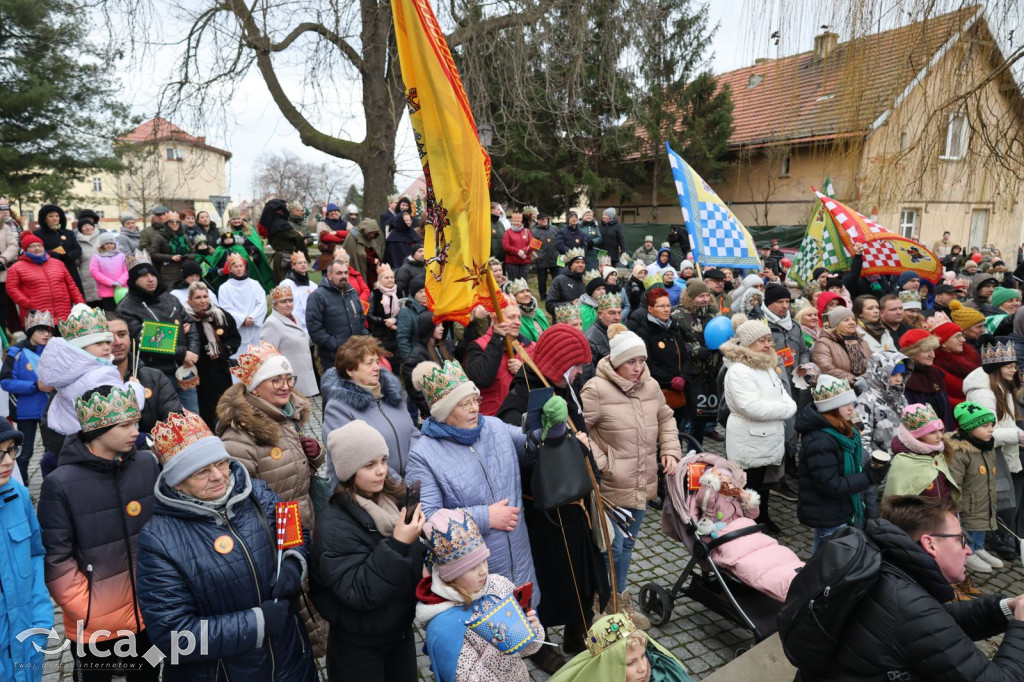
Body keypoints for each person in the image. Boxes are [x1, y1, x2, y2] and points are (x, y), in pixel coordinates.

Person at [135, 411, 317, 681]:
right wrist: (257, 623)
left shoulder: (258, 492)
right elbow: (173, 637)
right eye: (202, 472)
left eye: (221, 463)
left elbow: (293, 526)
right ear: (178, 481)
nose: (219, 476)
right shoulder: (157, 541)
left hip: (291, 661)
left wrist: (293, 561)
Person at [806, 495, 1024, 678]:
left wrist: (1006, 607)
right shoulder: (908, 605)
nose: (969, 551)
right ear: (930, 543)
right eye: (961, 540)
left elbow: (939, 621)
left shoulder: (887, 569)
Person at [496, 324, 607, 665]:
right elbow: (520, 455)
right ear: (556, 362)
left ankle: (578, 631)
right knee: (548, 579)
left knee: (583, 576)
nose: (577, 374)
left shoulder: (563, 389)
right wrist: (572, 445)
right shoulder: (520, 400)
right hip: (543, 512)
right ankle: (539, 645)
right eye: (573, 366)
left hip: (575, 507)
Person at [37, 385, 160, 681]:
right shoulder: (61, 483)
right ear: (97, 430)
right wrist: (88, 608)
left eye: (136, 422)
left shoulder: (146, 464)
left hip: (148, 610)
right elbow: (57, 557)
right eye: (125, 425)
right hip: (94, 622)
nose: (136, 431)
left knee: (148, 674)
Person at [408, 360, 539, 606]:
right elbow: (428, 520)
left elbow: (532, 446)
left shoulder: (495, 427)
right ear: (443, 413)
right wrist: (485, 517)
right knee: (490, 636)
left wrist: (552, 427)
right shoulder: (422, 455)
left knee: (528, 628)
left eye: (474, 400)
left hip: (521, 563)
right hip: (474, 577)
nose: (474, 409)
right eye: (463, 404)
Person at [310, 420, 427, 680]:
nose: (381, 471)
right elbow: (359, 591)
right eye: (369, 465)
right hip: (358, 646)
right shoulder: (334, 526)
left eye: (383, 460)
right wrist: (398, 543)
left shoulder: (391, 501)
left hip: (400, 632)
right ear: (349, 470)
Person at [583, 323, 681, 622]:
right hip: (612, 486)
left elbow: (666, 418)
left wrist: (670, 449)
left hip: (642, 482)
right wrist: (604, 463)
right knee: (610, 549)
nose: (638, 367)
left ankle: (620, 602)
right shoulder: (596, 389)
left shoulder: (651, 387)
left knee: (626, 545)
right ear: (615, 361)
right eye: (630, 361)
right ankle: (605, 607)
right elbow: (579, 431)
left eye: (642, 360)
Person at [417, 508, 545, 681]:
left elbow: (530, 648)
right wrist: (503, 642)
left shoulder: (499, 585)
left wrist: (533, 629)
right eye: (471, 567)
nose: (483, 571)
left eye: (484, 560)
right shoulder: (443, 626)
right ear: (451, 574)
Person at [216, 341, 324, 526]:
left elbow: (295, 466)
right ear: (255, 388)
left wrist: (316, 452)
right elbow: (240, 496)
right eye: (276, 380)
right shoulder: (239, 436)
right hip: (276, 526)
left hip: (303, 518)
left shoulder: (288, 415)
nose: (286, 386)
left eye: (289, 378)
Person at [720, 318, 797, 535]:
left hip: (768, 436)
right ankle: (746, 524)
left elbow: (784, 395)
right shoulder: (738, 371)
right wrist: (786, 409)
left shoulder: (766, 365)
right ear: (747, 344)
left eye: (769, 340)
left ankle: (763, 517)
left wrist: (786, 406)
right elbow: (751, 407)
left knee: (764, 483)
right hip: (749, 437)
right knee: (749, 483)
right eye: (761, 341)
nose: (768, 345)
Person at [798, 374, 887, 552]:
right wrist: (867, 476)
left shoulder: (840, 429)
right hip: (828, 513)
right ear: (831, 408)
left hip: (837, 509)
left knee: (824, 557)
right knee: (830, 561)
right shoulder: (821, 441)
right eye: (845, 404)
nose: (852, 409)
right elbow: (831, 484)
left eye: (851, 403)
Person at [322, 335, 420, 482]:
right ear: (350, 370)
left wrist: (415, 476)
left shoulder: (393, 397)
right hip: (368, 492)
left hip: (409, 485)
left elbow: (413, 433)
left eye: (377, 361)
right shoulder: (338, 409)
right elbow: (358, 458)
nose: (377, 367)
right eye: (369, 363)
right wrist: (399, 486)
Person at [116, 249, 202, 413]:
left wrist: (192, 354)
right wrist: (182, 351)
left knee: (193, 418)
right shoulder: (126, 308)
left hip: (186, 369)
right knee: (169, 421)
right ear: (134, 280)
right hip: (157, 375)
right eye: (143, 276)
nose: (150, 279)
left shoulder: (170, 298)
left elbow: (190, 325)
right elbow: (142, 340)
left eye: (152, 274)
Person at [0, 422, 51, 682]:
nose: (8, 461)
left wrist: (41, 618)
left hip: (25, 637)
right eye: (0, 454)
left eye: (11, 451)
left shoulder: (17, 495)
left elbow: (35, 553)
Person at [550, 613, 692, 682]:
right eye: (630, 663)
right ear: (608, 666)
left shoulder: (662, 674)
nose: (643, 668)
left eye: (643, 656)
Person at [947, 401, 1003, 574]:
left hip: (983, 497)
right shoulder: (960, 453)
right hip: (967, 502)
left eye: (992, 425)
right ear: (969, 428)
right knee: (967, 527)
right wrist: (955, 507)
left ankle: (978, 547)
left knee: (980, 524)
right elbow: (954, 483)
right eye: (985, 426)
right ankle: (966, 550)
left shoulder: (986, 447)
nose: (991, 429)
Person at [106, 312, 182, 436]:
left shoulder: (155, 377)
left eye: (122, 334)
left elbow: (175, 419)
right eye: (109, 337)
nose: (118, 342)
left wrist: (149, 443)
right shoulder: (91, 382)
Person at [177, 282, 238, 428]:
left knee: (226, 407)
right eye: (198, 297)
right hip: (200, 374)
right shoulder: (184, 319)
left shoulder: (220, 315)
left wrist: (223, 351)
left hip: (220, 370)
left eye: (205, 296)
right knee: (206, 411)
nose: (203, 300)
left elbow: (234, 338)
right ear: (190, 300)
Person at [1, 310, 53, 480]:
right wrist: (34, 386)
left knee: (51, 451)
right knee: (24, 454)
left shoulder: (54, 351)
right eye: (41, 330)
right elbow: (6, 381)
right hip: (25, 412)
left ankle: (52, 487)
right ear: (31, 332)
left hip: (49, 410)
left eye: (49, 330)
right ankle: (23, 489)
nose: (46, 334)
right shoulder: (17, 352)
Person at [671, 280, 723, 444]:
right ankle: (681, 454)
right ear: (691, 298)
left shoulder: (715, 314)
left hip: (712, 373)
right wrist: (695, 351)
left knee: (702, 417)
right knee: (687, 418)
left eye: (707, 295)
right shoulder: (678, 316)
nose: (705, 299)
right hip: (691, 374)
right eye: (701, 296)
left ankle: (696, 453)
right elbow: (675, 344)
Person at [464, 299, 534, 416]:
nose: (518, 322)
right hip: (494, 419)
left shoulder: (531, 347)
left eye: (519, 318)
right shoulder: (478, 346)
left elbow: (544, 383)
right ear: (495, 319)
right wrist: (498, 338)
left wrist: (524, 371)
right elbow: (481, 379)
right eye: (511, 317)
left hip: (525, 418)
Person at [635, 288, 691, 422]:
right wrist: (670, 381)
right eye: (661, 306)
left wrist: (683, 377)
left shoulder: (673, 328)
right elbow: (647, 365)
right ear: (650, 309)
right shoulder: (644, 332)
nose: (666, 309)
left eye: (668, 305)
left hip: (679, 393)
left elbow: (686, 358)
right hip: (658, 392)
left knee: (677, 434)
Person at [7, 231, 84, 323]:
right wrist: (27, 303)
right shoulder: (16, 267)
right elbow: (12, 288)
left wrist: (81, 304)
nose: (37, 248)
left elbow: (71, 286)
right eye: (32, 246)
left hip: (63, 315)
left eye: (39, 245)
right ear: (25, 250)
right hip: (37, 317)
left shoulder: (58, 264)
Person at [306, 259, 368, 369]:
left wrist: (364, 339)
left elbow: (361, 319)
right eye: (339, 273)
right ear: (329, 276)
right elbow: (314, 329)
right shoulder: (318, 297)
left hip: (356, 354)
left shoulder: (352, 293)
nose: (344, 276)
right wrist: (336, 345)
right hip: (333, 358)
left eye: (346, 272)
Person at [261, 286, 318, 397]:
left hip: (304, 378)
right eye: (283, 302)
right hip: (289, 382)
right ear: (275, 305)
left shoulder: (294, 317)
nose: (288, 304)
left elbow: (303, 340)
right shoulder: (271, 323)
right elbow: (268, 357)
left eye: (290, 300)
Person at [218, 253, 267, 360]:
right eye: (235, 266)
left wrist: (252, 318)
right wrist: (242, 319)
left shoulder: (255, 284)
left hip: (255, 328)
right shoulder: (224, 288)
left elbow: (262, 304)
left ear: (244, 267)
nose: (239, 269)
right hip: (238, 330)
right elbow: (226, 309)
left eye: (241, 266)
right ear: (230, 269)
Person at [932, 313, 981, 407]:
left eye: (962, 335)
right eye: (957, 337)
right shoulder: (935, 368)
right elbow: (942, 398)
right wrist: (972, 405)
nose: (963, 340)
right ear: (943, 343)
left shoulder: (972, 358)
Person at [813, 306, 872, 383]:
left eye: (853, 319)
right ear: (835, 324)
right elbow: (826, 369)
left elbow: (873, 365)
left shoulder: (862, 342)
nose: (852, 322)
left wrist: (863, 379)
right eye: (846, 320)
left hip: (866, 385)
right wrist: (855, 381)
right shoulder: (824, 343)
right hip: (843, 389)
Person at [35, 203, 84, 294]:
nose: (55, 218)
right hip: (51, 270)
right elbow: (37, 251)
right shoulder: (38, 234)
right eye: (51, 216)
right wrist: (53, 254)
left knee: (77, 295)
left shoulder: (68, 233)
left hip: (70, 268)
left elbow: (77, 249)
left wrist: (69, 256)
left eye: (57, 216)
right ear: (45, 219)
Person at [260, 199, 309, 281]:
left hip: (281, 257)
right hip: (286, 258)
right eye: (285, 207)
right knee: (287, 285)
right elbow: (297, 237)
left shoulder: (273, 222)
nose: (287, 209)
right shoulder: (280, 224)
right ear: (280, 210)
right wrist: (304, 256)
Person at [149, 211, 195, 290]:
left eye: (177, 222)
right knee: (172, 294)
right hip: (168, 272)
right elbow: (153, 254)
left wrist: (186, 257)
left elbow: (193, 253)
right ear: (166, 223)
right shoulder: (159, 237)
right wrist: (171, 257)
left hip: (185, 271)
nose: (175, 224)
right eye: (171, 222)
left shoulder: (184, 236)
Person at [368, 263, 401, 360]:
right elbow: (369, 315)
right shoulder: (375, 294)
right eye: (386, 278)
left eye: (392, 277)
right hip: (381, 335)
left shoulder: (399, 292)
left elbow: (404, 310)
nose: (390, 279)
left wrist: (394, 320)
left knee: (398, 361)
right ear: (380, 280)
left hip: (397, 332)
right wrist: (384, 322)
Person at [89, 231, 128, 310]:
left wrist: (120, 282)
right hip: (106, 292)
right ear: (102, 245)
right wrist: (111, 283)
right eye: (106, 243)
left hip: (122, 290)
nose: (109, 245)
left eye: (111, 243)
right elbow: (94, 271)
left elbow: (126, 271)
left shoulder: (121, 256)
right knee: (110, 314)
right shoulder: (97, 257)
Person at [343, 218, 385, 289]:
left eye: (374, 233)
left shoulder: (371, 238)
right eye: (371, 233)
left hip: (372, 270)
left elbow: (375, 251)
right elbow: (357, 254)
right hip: (360, 267)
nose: (372, 235)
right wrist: (372, 260)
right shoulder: (352, 236)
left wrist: (377, 261)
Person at [546, 247, 587, 315]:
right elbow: (549, 305)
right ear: (570, 265)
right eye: (577, 262)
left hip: (584, 322)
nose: (580, 265)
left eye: (583, 262)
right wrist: (570, 304)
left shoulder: (588, 280)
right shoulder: (559, 280)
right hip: (565, 322)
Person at [507, 278, 549, 343]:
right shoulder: (514, 317)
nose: (526, 294)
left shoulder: (538, 312)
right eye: (521, 292)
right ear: (514, 296)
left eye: (528, 291)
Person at [586, 292, 623, 365]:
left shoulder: (624, 332)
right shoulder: (590, 340)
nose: (617, 318)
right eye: (612, 313)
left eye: (619, 313)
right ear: (600, 314)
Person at [532, 213, 560, 299]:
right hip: (542, 259)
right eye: (542, 219)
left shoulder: (554, 229)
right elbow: (534, 248)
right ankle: (543, 296)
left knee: (557, 279)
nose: (544, 220)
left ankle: (557, 294)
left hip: (554, 258)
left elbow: (559, 242)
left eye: (546, 219)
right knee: (542, 281)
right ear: (538, 221)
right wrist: (536, 258)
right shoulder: (535, 231)